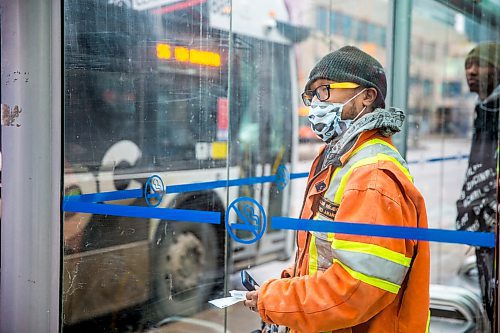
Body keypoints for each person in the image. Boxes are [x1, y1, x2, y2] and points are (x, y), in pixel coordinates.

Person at [243, 46, 430, 332]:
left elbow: (355, 290)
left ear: (367, 96)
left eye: (325, 90)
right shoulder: (341, 159)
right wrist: (288, 282)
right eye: (312, 95)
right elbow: (325, 258)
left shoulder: (372, 175)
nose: (316, 104)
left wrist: (277, 300)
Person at [456, 42, 500, 326]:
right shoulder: (485, 108)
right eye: (468, 66)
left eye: (479, 64)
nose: (471, 71)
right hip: (485, 219)